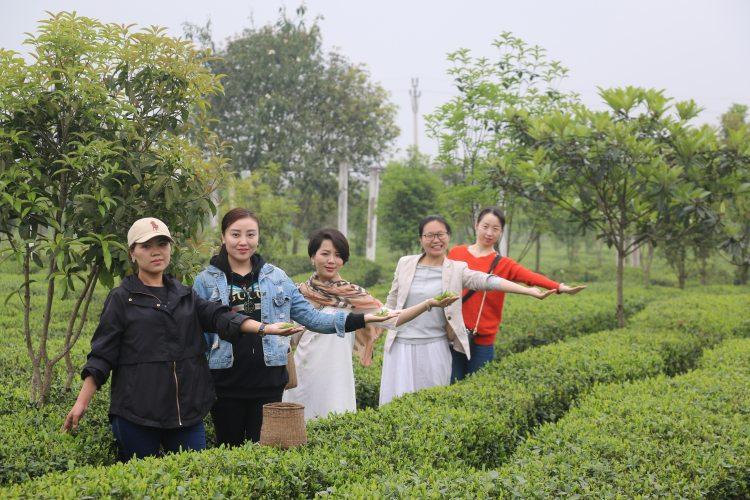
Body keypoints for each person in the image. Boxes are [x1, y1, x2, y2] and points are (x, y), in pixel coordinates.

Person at [62, 217, 302, 461]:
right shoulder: (122, 299)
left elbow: (220, 317)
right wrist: (81, 404)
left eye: (162, 244)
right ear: (132, 253)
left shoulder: (184, 294)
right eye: (146, 246)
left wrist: (264, 328)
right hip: (137, 415)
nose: (156, 252)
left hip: (186, 416)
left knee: (192, 481)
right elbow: (102, 355)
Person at [193, 209, 396, 446]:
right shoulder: (205, 281)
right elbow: (201, 336)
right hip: (225, 381)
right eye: (235, 234)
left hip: (268, 381)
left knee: (266, 453)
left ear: (258, 238)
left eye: (250, 234)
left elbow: (314, 319)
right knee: (229, 449)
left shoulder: (276, 278)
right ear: (223, 237)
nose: (243, 242)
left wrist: (363, 319)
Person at [282, 228, 458, 420]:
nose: (332, 260)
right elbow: (285, 334)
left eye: (338, 255)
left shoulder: (353, 295)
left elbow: (392, 318)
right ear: (312, 257)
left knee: (333, 425)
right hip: (302, 373)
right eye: (325, 254)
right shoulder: (299, 292)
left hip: (336, 377)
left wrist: (427, 304)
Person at [379, 215, 555, 406]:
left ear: (448, 237)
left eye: (441, 234)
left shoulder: (456, 269)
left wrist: (527, 290)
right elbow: (391, 302)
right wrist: (373, 331)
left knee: (430, 406)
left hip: (434, 347)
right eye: (430, 235)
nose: (436, 240)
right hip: (400, 348)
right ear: (421, 239)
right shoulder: (405, 263)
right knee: (394, 404)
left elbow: (487, 280)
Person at [448, 207, 585, 382]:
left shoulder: (504, 264)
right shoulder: (456, 253)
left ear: (501, 232)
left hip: (483, 339)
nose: (489, 233)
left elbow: (531, 276)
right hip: (455, 334)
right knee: (451, 383)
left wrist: (559, 286)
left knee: (477, 386)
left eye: (495, 229)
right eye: (485, 226)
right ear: (476, 225)